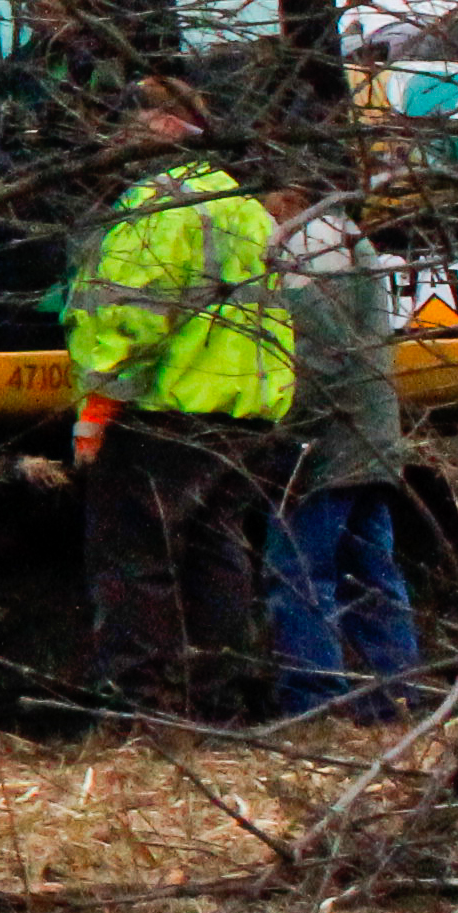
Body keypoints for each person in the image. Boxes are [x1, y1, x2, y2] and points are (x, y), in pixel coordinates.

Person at [65, 75, 301, 722]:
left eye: (131, 120)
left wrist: (95, 412)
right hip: (244, 411)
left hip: (164, 411)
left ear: (162, 126)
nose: (118, 136)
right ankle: (217, 704)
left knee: (135, 562)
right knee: (218, 555)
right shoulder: (242, 204)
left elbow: (127, 323)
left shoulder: (157, 207)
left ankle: (150, 707)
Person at [263, 183, 426, 721]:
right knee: (371, 572)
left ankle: (315, 703)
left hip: (326, 441)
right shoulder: (350, 238)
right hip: (371, 433)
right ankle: (398, 696)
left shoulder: (308, 247)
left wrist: (286, 427)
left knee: (299, 573)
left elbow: (322, 351)